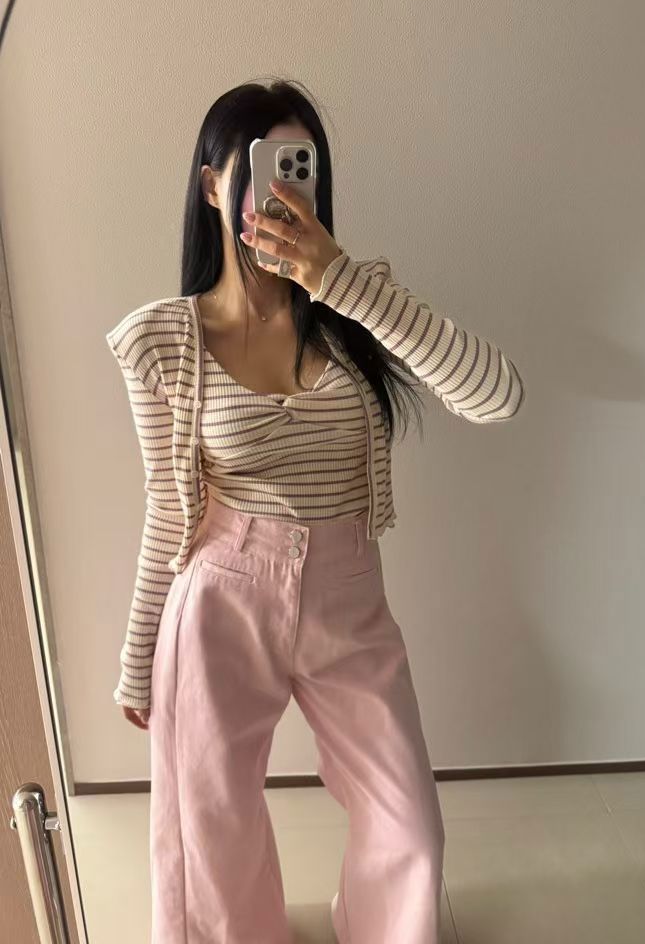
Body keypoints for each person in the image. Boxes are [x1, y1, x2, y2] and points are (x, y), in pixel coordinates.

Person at [106, 78, 524, 944]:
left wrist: (339, 282)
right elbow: (167, 509)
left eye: (302, 168)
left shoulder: (357, 305)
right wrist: (139, 654)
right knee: (209, 835)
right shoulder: (162, 340)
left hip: (347, 595)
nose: (285, 189)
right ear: (213, 184)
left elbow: (499, 397)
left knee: (410, 826)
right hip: (220, 596)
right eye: (262, 166)